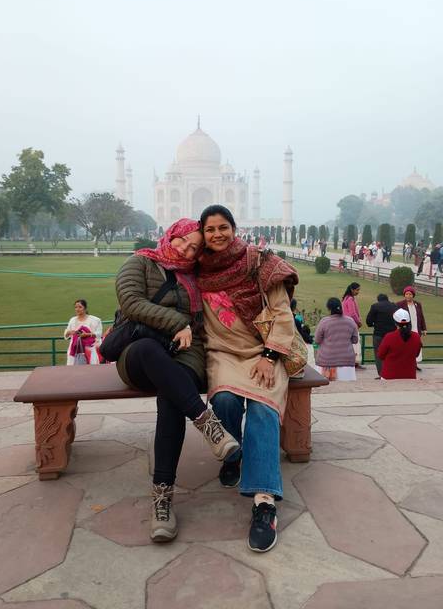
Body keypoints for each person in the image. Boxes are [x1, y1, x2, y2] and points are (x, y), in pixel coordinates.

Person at [115, 218, 239, 543]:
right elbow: (131, 303)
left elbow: (236, 272)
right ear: (171, 234)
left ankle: (162, 499)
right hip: (139, 353)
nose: (186, 248)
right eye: (183, 240)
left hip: (186, 354)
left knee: (171, 397)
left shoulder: (197, 275)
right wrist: (177, 322)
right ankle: (208, 424)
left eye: (194, 247)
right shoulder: (139, 262)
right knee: (147, 350)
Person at [197, 205, 298, 553]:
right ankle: (234, 456)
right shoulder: (197, 269)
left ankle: (264, 501)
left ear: (234, 228)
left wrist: (270, 356)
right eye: (210, 230)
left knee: (262, 410)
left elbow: (282, 312)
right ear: (203, 234)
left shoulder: (259, 262)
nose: (217, 235)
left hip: (263, 350)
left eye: (223, 227)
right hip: (224, 352)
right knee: (223, 401)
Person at [314, 297, 359, 381]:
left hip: (326, 360)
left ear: (328, 308)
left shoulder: (324, 322)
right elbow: (355, 340)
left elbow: (317, 340)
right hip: (347, 361)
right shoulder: (350, 321)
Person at [378, 309, 422, 379]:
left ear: (395, 323)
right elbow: (416, 354)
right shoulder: (416, 336)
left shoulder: (389, 337)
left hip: (389, 375)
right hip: (409, 375)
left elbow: (380, 355)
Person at [365, 294, 397, 378]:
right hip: (392, 334)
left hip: (379, 334)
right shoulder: (394, 306)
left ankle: (382, 374)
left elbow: (368, 321)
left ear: (378, 299)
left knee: (379, 354)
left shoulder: (375, 306)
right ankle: (392, 372)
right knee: (391, 353)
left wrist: (373, 324)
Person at [396, 286, 427, 371]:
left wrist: (424, 328)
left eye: (410, 294)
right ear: (404, 295)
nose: (408, 296)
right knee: (406, 348)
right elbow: (396, 317)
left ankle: (414, 364)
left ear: (413, 295)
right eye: (406, 294)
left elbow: (421, 317)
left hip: (416, 329)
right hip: (406, 331)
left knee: (416, 347)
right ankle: (405, 364)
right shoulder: (399, 304)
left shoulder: (418, 304)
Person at [64, 299, 102, 365]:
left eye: (80, 307)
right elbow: (66, 334)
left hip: (90, 350)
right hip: (74, 350)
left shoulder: (95, 320)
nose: (77, 309)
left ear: (85, 308)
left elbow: (99, 334)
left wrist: (87, 334)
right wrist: (70, 332)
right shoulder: (72, 320)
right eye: (76, 307)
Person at [342, 282, 363, 367]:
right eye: (357, 290)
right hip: (352, 325)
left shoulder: (345, 298)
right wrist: (359, 322)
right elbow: (352, 313)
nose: (358, 292)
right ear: (352, 289)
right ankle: (355, 363)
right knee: (355, 344)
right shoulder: (350, 299)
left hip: (346, 325)